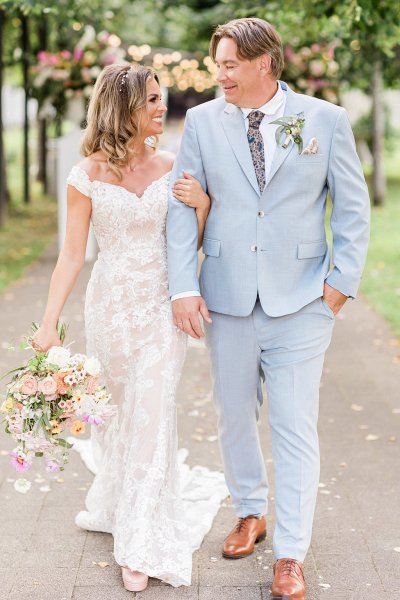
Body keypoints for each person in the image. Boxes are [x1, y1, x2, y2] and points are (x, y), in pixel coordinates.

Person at [167, 17, 370, 599]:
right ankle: (250, 511)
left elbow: (351, 208)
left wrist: (339, 286)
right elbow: (185, 207)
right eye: (218, 65)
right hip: (226, 297)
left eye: (229, 64)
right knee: (233, 415)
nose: (219, 75)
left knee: (294, 427)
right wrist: (184, 286)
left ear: (263, 63)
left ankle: (290, 553)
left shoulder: (323, 120)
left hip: (303, 301)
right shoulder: (204, 122)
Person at [31, 63, 224, 592]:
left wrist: (203, 206)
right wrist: (48, 326)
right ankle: (122, 500)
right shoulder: (86, 176)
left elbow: (190, 239)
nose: (164, 107)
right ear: (124, 107)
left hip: (162, 309)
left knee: (152, 414)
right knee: (121, 416)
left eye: (163, 98)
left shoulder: (173, 165)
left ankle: (139, 542)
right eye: (154, 100)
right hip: (111, 307)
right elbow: (71, 257)